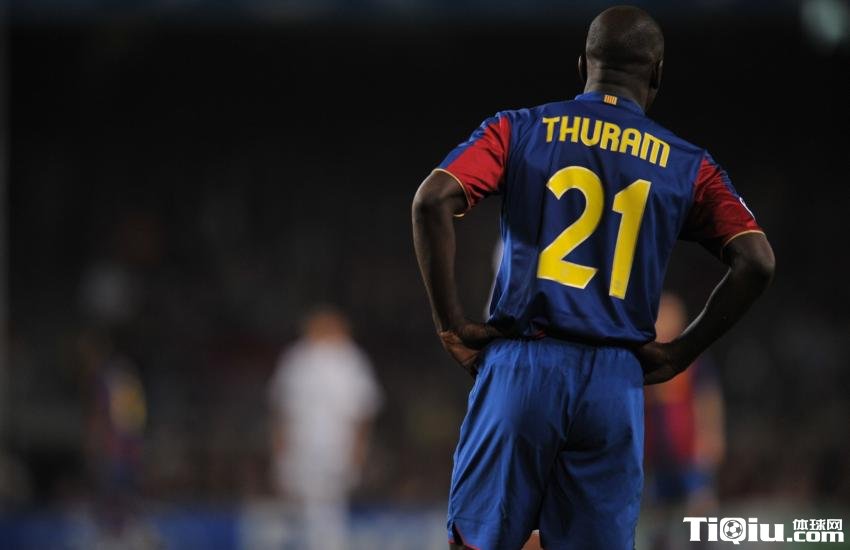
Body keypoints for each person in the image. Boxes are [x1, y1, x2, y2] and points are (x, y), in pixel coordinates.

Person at [411, 6, 775, 549]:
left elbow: (432, 199)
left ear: (583, 64)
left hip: (523, 364)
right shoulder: (688, 165)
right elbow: (757, 260)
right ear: (656, 74)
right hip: (615, 381)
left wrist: (451, 324)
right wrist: (680, 354)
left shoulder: (519, 128)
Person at [268, 308, 382, 550]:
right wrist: (280, 450)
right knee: (297, 509)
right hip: (299, 445)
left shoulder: (351, 359)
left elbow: (362, 412)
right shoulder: (296, 358)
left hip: (336, 447)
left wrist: (357, 452)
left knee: (329, 510)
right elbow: (282, 410)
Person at [643, 293, 725, 550]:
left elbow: (708, 398)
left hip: (691, 451)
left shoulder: (693, 360)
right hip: (659, 453)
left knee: (699, 506)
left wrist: (711, 435)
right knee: (660, 512)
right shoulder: (646, 361)